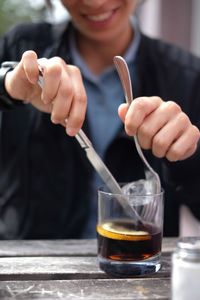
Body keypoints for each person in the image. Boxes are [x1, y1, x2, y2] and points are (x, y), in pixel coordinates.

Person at [0, 0, 199, 239]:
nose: (95, 2)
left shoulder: (187, 77)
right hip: (30, 267)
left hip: (139, 268)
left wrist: (189, 157)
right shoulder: (19, 47)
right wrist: (9, 87)